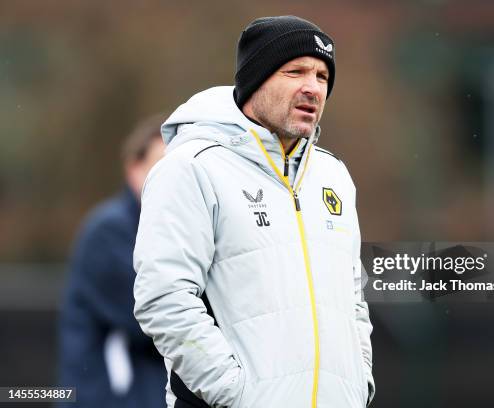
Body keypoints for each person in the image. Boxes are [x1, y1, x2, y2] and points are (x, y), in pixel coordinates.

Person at [133, 16, 374, 408]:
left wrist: (357, 386)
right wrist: (235, 392)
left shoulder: (334, 176)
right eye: (295, 71)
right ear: (255, 80)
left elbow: (353, 301)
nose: (312, 87)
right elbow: (163, 297)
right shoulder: (193, 167)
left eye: (322, 76)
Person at [58, 115, 167, 408]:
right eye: (161, 164)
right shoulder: (107, 232)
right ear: (134, 169)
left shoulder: (174, 231)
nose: (170, 176)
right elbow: (155, 321)